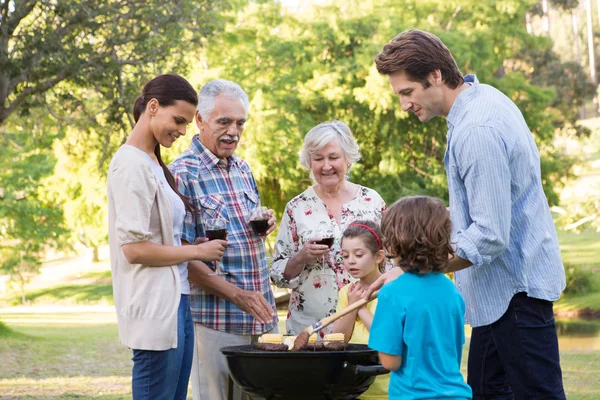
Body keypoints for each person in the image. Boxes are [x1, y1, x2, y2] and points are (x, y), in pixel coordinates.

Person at [367, 29, 567, 399]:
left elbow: (489, 233)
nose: (404, 105)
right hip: (498, 293)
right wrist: (402, 269)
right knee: (485, 391)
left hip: (515, 292)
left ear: (436, 76)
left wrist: (414, 268)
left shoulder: (476, 130)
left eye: (407, 92)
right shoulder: (483, 98)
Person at [107, 74, 227, 400]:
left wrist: (192, 246)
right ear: (153, 107)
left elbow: (161, 238)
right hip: (153, 305)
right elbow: (134, 250)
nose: (183, 130)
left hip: (177, 300)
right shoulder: (131, 165)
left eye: (187, 123)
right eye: (178, 119)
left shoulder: (153, 163)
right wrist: (196, 255)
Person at [168, 79, 278, 400]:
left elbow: (244, 227)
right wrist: (238, 296)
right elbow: (183, 257)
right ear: (200, 120)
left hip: (262, 315)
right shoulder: (181, 174)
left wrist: (263, 222)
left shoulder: (243, 168)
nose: (233, 131)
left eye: (240, 122)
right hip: (215, 322)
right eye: (224, 122)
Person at [270, 120, 388, 337]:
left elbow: (390, 262)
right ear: (309, 162)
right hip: (311, 328)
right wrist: (302, 256)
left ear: (348, 159)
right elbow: (278, 275)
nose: (326, 166)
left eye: (333, 157)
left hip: (366, 325)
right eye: (318, 159)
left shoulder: (371, 201)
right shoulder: (296, 208)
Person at [369, 196, 472, 400]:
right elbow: (452, 350)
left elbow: (390, 362)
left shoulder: (392, 293)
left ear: (394, 244)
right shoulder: (451, 290)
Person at [332, 220, 389, 400]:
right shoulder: (346, 292)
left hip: (387, 387)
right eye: (345, 255)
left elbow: (385, 338)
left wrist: (361, 308)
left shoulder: (392, 291)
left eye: (358, 254)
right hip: (353, 386)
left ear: (378, 257)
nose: (351, 261)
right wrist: (351, 306)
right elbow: (337, 341)